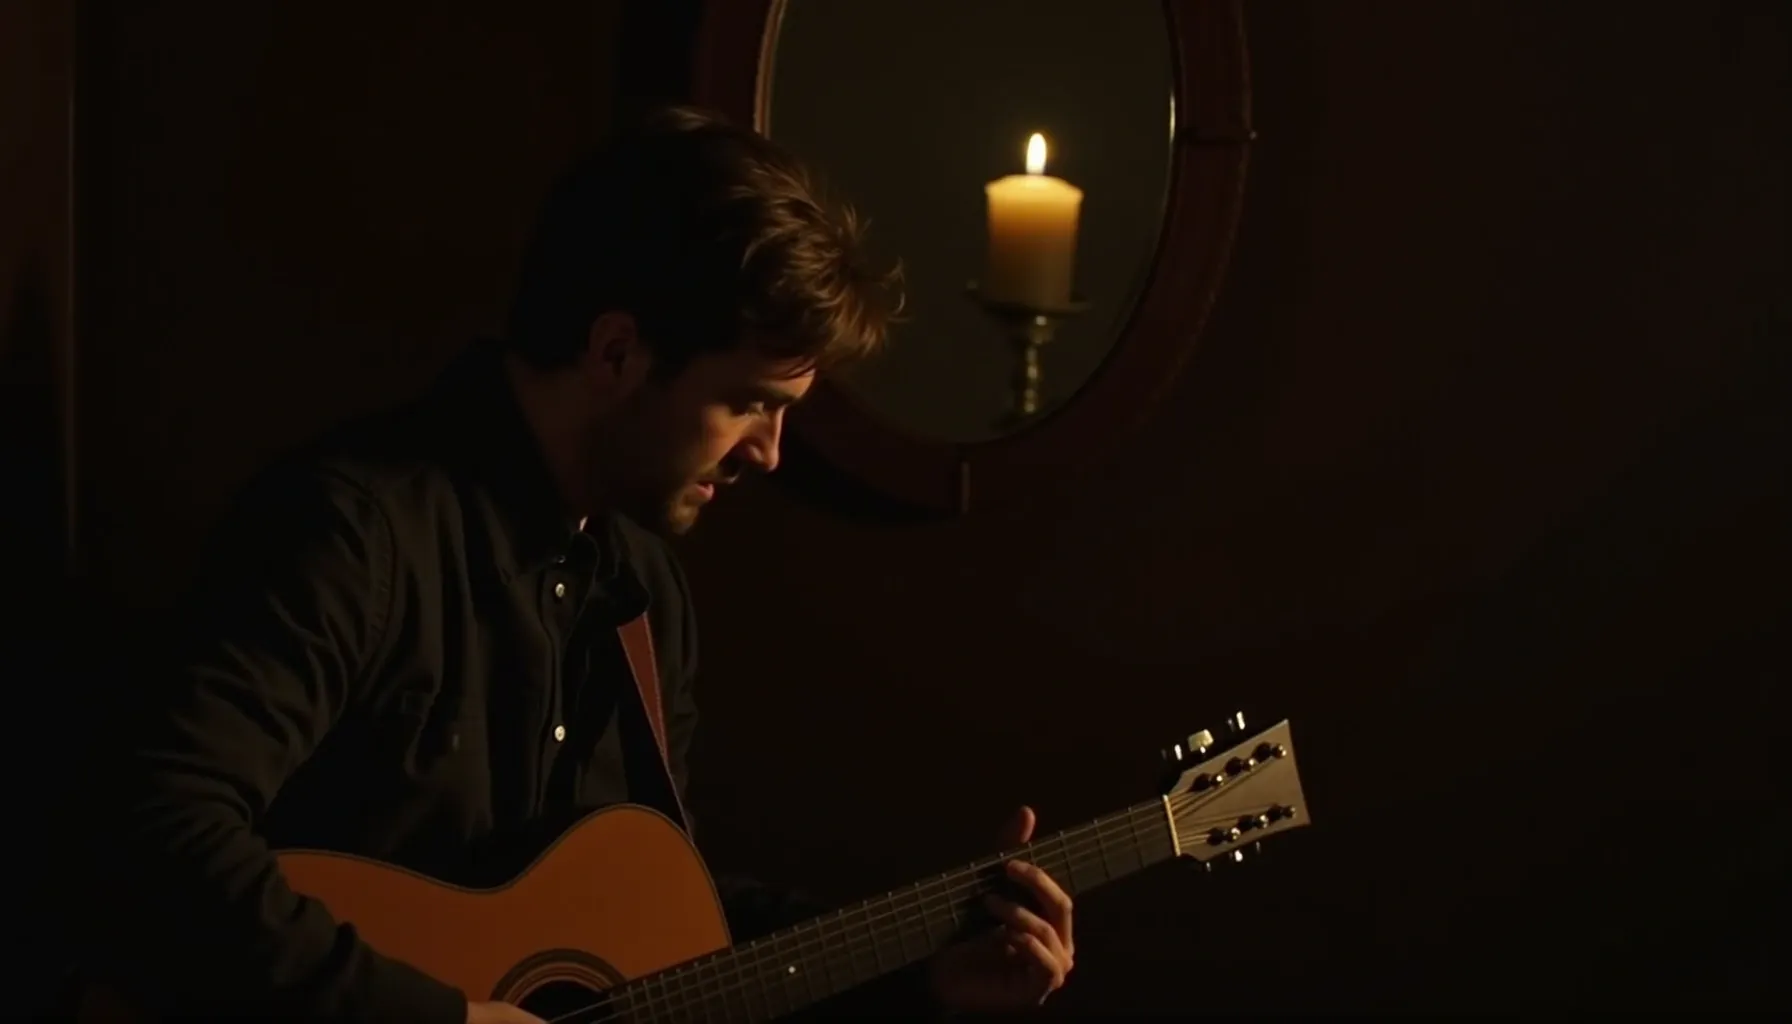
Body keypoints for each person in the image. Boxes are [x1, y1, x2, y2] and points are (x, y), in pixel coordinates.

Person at [65, 105, 1075, 1022]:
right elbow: (159, 828)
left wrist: (923, 972)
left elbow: (659, 936)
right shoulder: (353, 533)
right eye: (748, 403)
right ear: (616, 352)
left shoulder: (644, 594)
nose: (769, 452)